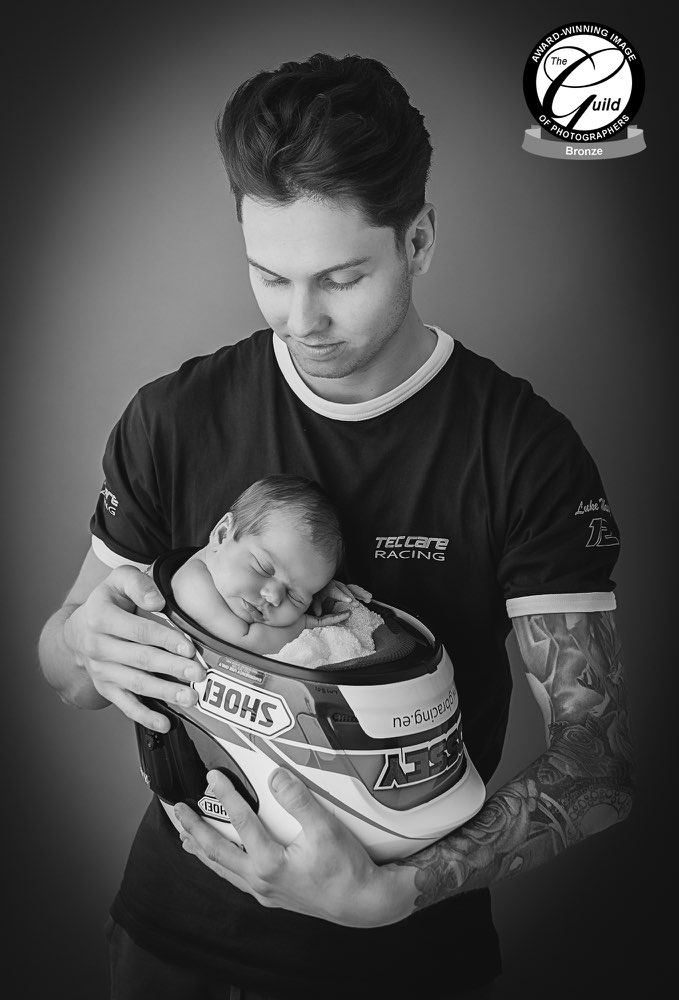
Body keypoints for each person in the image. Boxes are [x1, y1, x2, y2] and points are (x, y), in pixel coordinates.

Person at [38, 52, 635, 1000]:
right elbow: (69, 673)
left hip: (403, 960)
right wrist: (81, 642)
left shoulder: (522, 450)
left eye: (341, 278)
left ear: (419, 240)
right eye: (268, 277)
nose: (301, 319)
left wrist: (392, 896)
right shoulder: (175, 416)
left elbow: (598, 766)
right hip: (167, 941)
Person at [170, 474, 352, 654]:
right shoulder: (192, 583)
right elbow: (247, 643)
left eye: (296, 598)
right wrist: (304, 625)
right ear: (223, 534)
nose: (274, 597)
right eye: (263, 569)